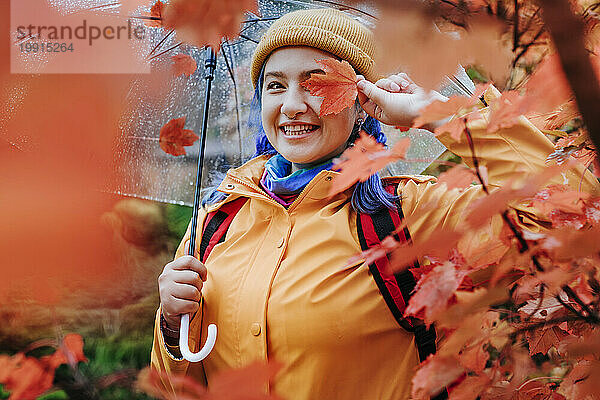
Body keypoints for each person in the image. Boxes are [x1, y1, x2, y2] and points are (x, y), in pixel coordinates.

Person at [151, 8, 599, 400]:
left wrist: (438, 115)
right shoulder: (216, 221)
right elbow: (179, 388)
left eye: (318, 83)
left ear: (362, 102)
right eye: (275, 85)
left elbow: (573, 210)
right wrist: (172, 329)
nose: (292, 105)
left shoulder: (407, 214)